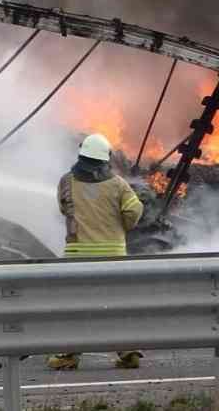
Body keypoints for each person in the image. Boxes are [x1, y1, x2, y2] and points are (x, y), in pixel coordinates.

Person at [48, 133, 146, 371]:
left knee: (74, 307)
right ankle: (128, 351)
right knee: (115, 304)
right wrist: (122, 225)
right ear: (105, 160)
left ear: (81, 156)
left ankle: (68, 355)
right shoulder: (118, 184)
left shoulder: (66, 182)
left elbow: (63, 208)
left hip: (77, 255)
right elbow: (134, 211)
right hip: (112, 254)